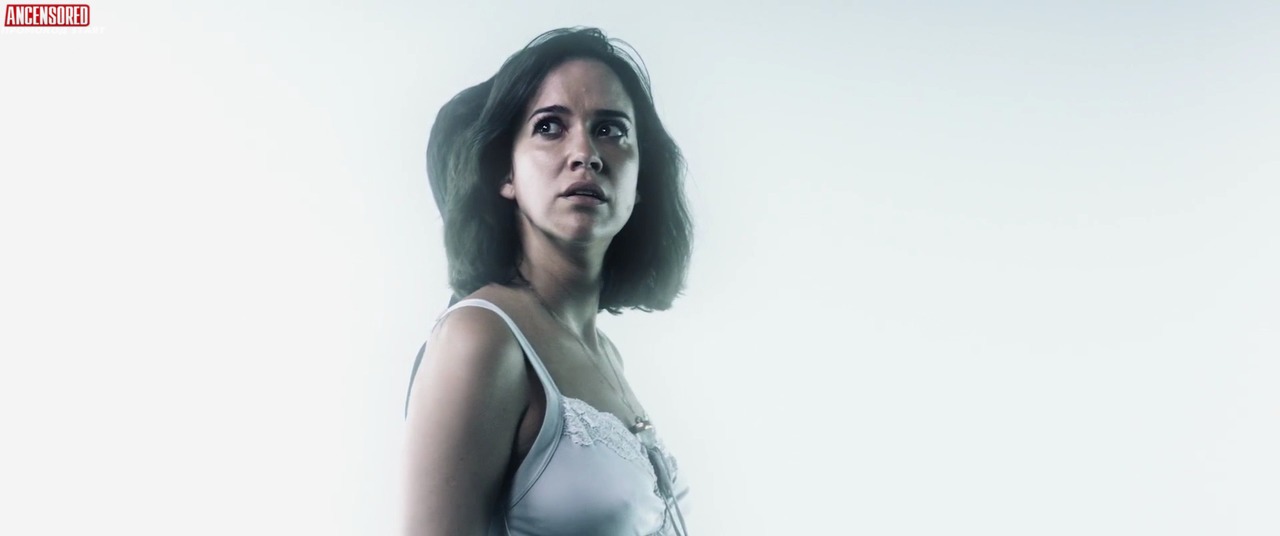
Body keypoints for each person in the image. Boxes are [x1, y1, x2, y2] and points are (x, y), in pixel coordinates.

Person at [402, 27, 695, 536]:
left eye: (611, 129)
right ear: (506, 174)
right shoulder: (481, 337)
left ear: (641, 179)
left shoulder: (606, 354)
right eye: (549, 127)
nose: (586, 153)